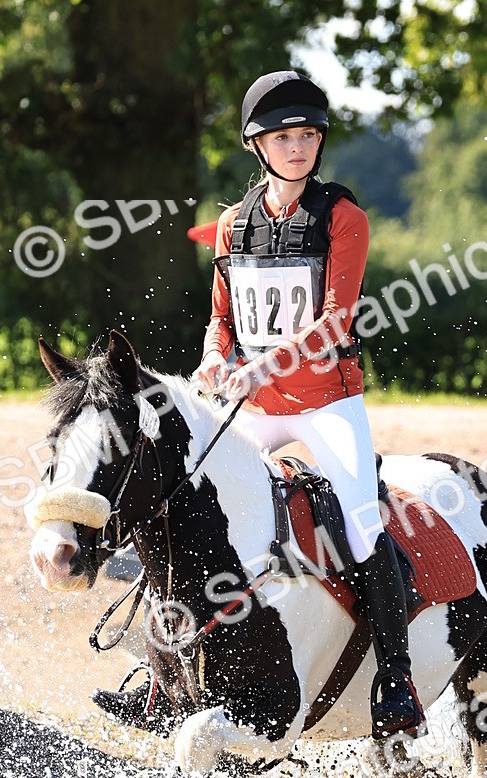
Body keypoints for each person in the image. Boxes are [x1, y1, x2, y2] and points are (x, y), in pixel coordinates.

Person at [95, 69, 423, 740]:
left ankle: (396, 676)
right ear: (257, 146)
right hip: (256, 404)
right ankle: (160, 683)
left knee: (362, 524)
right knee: (181, 507)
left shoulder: (343, 218)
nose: (298, 149)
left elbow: (335, 323)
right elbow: (221, 319)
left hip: (327, 404)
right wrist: (214, 358)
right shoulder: (233, 225)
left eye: (308, 136)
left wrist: (264, 365)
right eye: (283, 138)